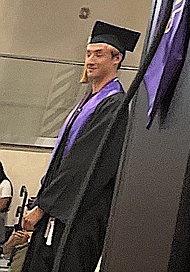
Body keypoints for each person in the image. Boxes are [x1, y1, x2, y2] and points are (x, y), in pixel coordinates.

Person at [19, 22, 139, 272]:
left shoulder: (113, 105)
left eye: (98, 54)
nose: (90, 60)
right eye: (88, 54)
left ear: (116, 58)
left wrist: (42, 207)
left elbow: (83, 164)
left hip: (79, 215)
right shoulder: (88, 101)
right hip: (60, 211)